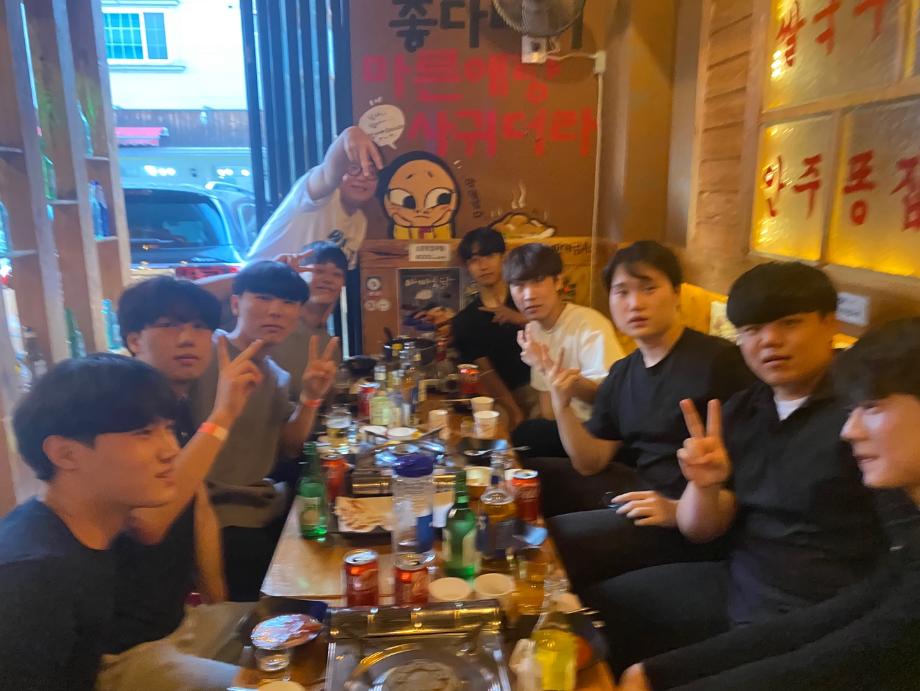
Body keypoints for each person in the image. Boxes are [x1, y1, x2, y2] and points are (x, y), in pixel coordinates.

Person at [583, 262, 888, 674]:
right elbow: (702, 528)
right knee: (589, 613)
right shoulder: (743, 409)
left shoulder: (866, 412)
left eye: (789, 323)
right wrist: (704, 486)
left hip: (818, 610)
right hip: (736, 577)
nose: (770, 341)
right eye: (752, 329)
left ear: (829, 323)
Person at [618, 317, 920, 691]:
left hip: (795, 598)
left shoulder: (891, 495)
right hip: (747, 582)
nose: (849, 431)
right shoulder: (745, 406)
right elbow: (843, 618)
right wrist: (654, 673)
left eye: (872, 407)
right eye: (752, 329)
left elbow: (858, 653)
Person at [546, 242, 754, 584]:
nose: (635, 303)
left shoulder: (720, 362)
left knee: (556, 541)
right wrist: (561, 404)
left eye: (648, 288)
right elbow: (590, 461)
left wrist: (678, 510)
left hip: (696, 517)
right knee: (532, 480)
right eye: (622, 292)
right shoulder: (623, 372)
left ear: (677, 293)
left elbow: (748, 471)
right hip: (644, 495)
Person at [95, 277, 264, 690]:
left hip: (185, 621)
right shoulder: (116, 413)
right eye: (169, 325)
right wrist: (223, 415)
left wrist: (218, 604)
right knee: (277, 684)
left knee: (310, 631)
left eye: (200, 327)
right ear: (134, 339)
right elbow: (148, 524)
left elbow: (198, 502)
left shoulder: (173, 407)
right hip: (130, 651)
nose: (188, 338)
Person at [0, 355, 178, 690]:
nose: (171, 450)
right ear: (65, 454)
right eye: (143, 433)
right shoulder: (32, 577)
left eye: (167, 429)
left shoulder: (97, 533)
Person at [191, 261, 339, 600]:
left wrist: (310, 398)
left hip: (262, 510)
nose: (275, 311)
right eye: (262, 297)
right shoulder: (207, 351)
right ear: (234, 304)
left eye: (287, 302)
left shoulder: (275, 375)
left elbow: (288, 447)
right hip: (219, 517)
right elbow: (177, 299)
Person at [507, 242, 624, 459]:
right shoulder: (534, 329)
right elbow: (547, 410)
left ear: (558, 281)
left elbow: (608, 399)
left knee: (523, 437)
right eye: (519, 285)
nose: (528, 295)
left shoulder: (589, 324)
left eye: (538, 281)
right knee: (521, 438)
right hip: (564, 427)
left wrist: (546, 366)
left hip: (597, 431)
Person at [246, 126, 382, 269]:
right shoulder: (318, 197)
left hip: (301, 283)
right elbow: (327, 175)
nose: (363, 177)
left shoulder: (359, 222)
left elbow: (341, 275)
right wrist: (350, 134)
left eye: (372, 172)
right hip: (259, 280)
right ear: (340, 173)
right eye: (353, 168)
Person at [452, 227, 535, 428]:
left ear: (503, 258)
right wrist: (513, 410)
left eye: (489, 256)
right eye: (474, 260)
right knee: (496, 421)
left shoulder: (529, 301)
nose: (483, 266)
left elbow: (556, 331)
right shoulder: (465, 321)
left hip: (538, 386)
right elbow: (485, 372)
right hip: (495, 394)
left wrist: (521, 319)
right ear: (468, 267)